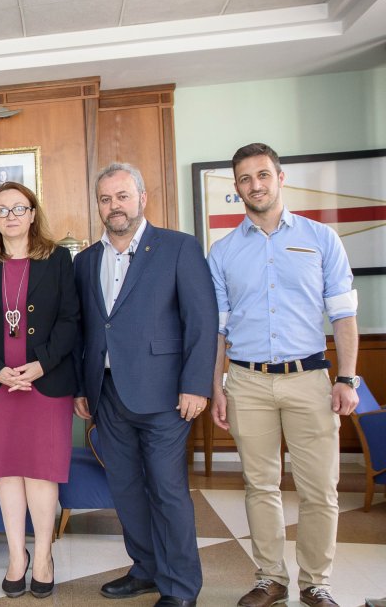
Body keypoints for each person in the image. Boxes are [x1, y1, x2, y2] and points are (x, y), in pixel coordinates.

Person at [208, 143, 360, 607]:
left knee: (319, 489)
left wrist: (347, 378)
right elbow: (217, 329)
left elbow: (344, 316)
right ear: (236, 188)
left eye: (262, 175)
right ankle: (269, 578)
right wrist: (216, 386)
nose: (255, 185)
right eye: (244, 179)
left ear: (280, 177)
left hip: (310, 379)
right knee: (260, 485)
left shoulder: (321, 238)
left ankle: (317, 582)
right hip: (248, 382)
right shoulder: (223, 251)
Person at [73, 163, 217, 607]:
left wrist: (196, 385)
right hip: (107, 393)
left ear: (142, 198)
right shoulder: (86, 260)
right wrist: (83, 386)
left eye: (121, 196)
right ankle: (146, 568)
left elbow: (202, 320)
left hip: (165, 395)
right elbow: (86, 329)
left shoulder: (178, 248)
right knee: (126, 487)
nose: (113, 206)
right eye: (105, 198)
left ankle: (180, 587)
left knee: (167, 489)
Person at [0, 182, 79, 599]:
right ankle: (17, 556)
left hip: (45, 384)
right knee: (6, 471)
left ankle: (43, 556)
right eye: (1, 210)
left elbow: (71, 319)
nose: (11, 216)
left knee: (42, 471)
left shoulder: (59, 259)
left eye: (19, 208)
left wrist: (41, 364)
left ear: (33, 214)